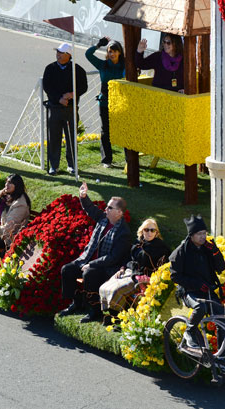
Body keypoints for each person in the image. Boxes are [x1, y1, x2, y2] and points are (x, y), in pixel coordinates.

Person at [59, 183, 132, 323]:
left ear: (119, 212)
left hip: (106, 267)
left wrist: (91, 264)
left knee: (89, 275)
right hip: (87, 259)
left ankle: (94, 310)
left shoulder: (124, 232)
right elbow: (90, 209)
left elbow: (113, 258)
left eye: (110, 207)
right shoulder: (104, 218)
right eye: (107, 206)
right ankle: (76, 302)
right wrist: (83, 196)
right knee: (67, 270)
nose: (106, 209)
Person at [169, 214, 225, 349]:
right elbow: (175, 277)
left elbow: (221, 268)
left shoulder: (207, 248)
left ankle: (222, 358)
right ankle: (190, 332)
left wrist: (215, 252)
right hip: (189, 292)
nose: (203, 236)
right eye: (199, 234)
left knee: (223, 321)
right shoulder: (181, 252)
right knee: (200, 307)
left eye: (204, 233)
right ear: (191, 235)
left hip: (209, 292)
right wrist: (197, 284)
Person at [98, 218, 171, 320]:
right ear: (142, 231)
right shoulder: (138, 243)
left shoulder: (161, 248)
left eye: (152, 230)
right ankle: (111, 314)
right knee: (104, 287)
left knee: (115, 291)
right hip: (130, 272)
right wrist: (122, 268)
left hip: (143, 278)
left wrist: (146, 279)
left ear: (156, 232)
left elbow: (162, 267)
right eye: (146, 229)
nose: (149, 233)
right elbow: (128, 257)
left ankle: (118, 318)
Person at [43, 42, 88, 175]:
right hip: (55, 108)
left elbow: (83, 87)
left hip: (71, 109)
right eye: (57, 52)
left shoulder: (77, 69)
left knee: (71, 138)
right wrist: (59, 99)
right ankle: (54, 165)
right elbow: (47, 87)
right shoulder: (50, 68)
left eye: (61, 53)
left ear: (69, 55)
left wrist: (72, 94)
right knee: (54, 138)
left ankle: (72, 165)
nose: (58, 55)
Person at [85, 37, 125, 167]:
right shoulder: (103, 65)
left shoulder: (125, 65)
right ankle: (107, 160)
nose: (112, 54)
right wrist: (98, 45)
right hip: (104, 102)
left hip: (120, 102)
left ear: (120, 52)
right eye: (109, 51)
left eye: (114, 51)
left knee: (123, 130)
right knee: (105, 131)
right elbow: (88, 54)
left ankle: (128, 160)